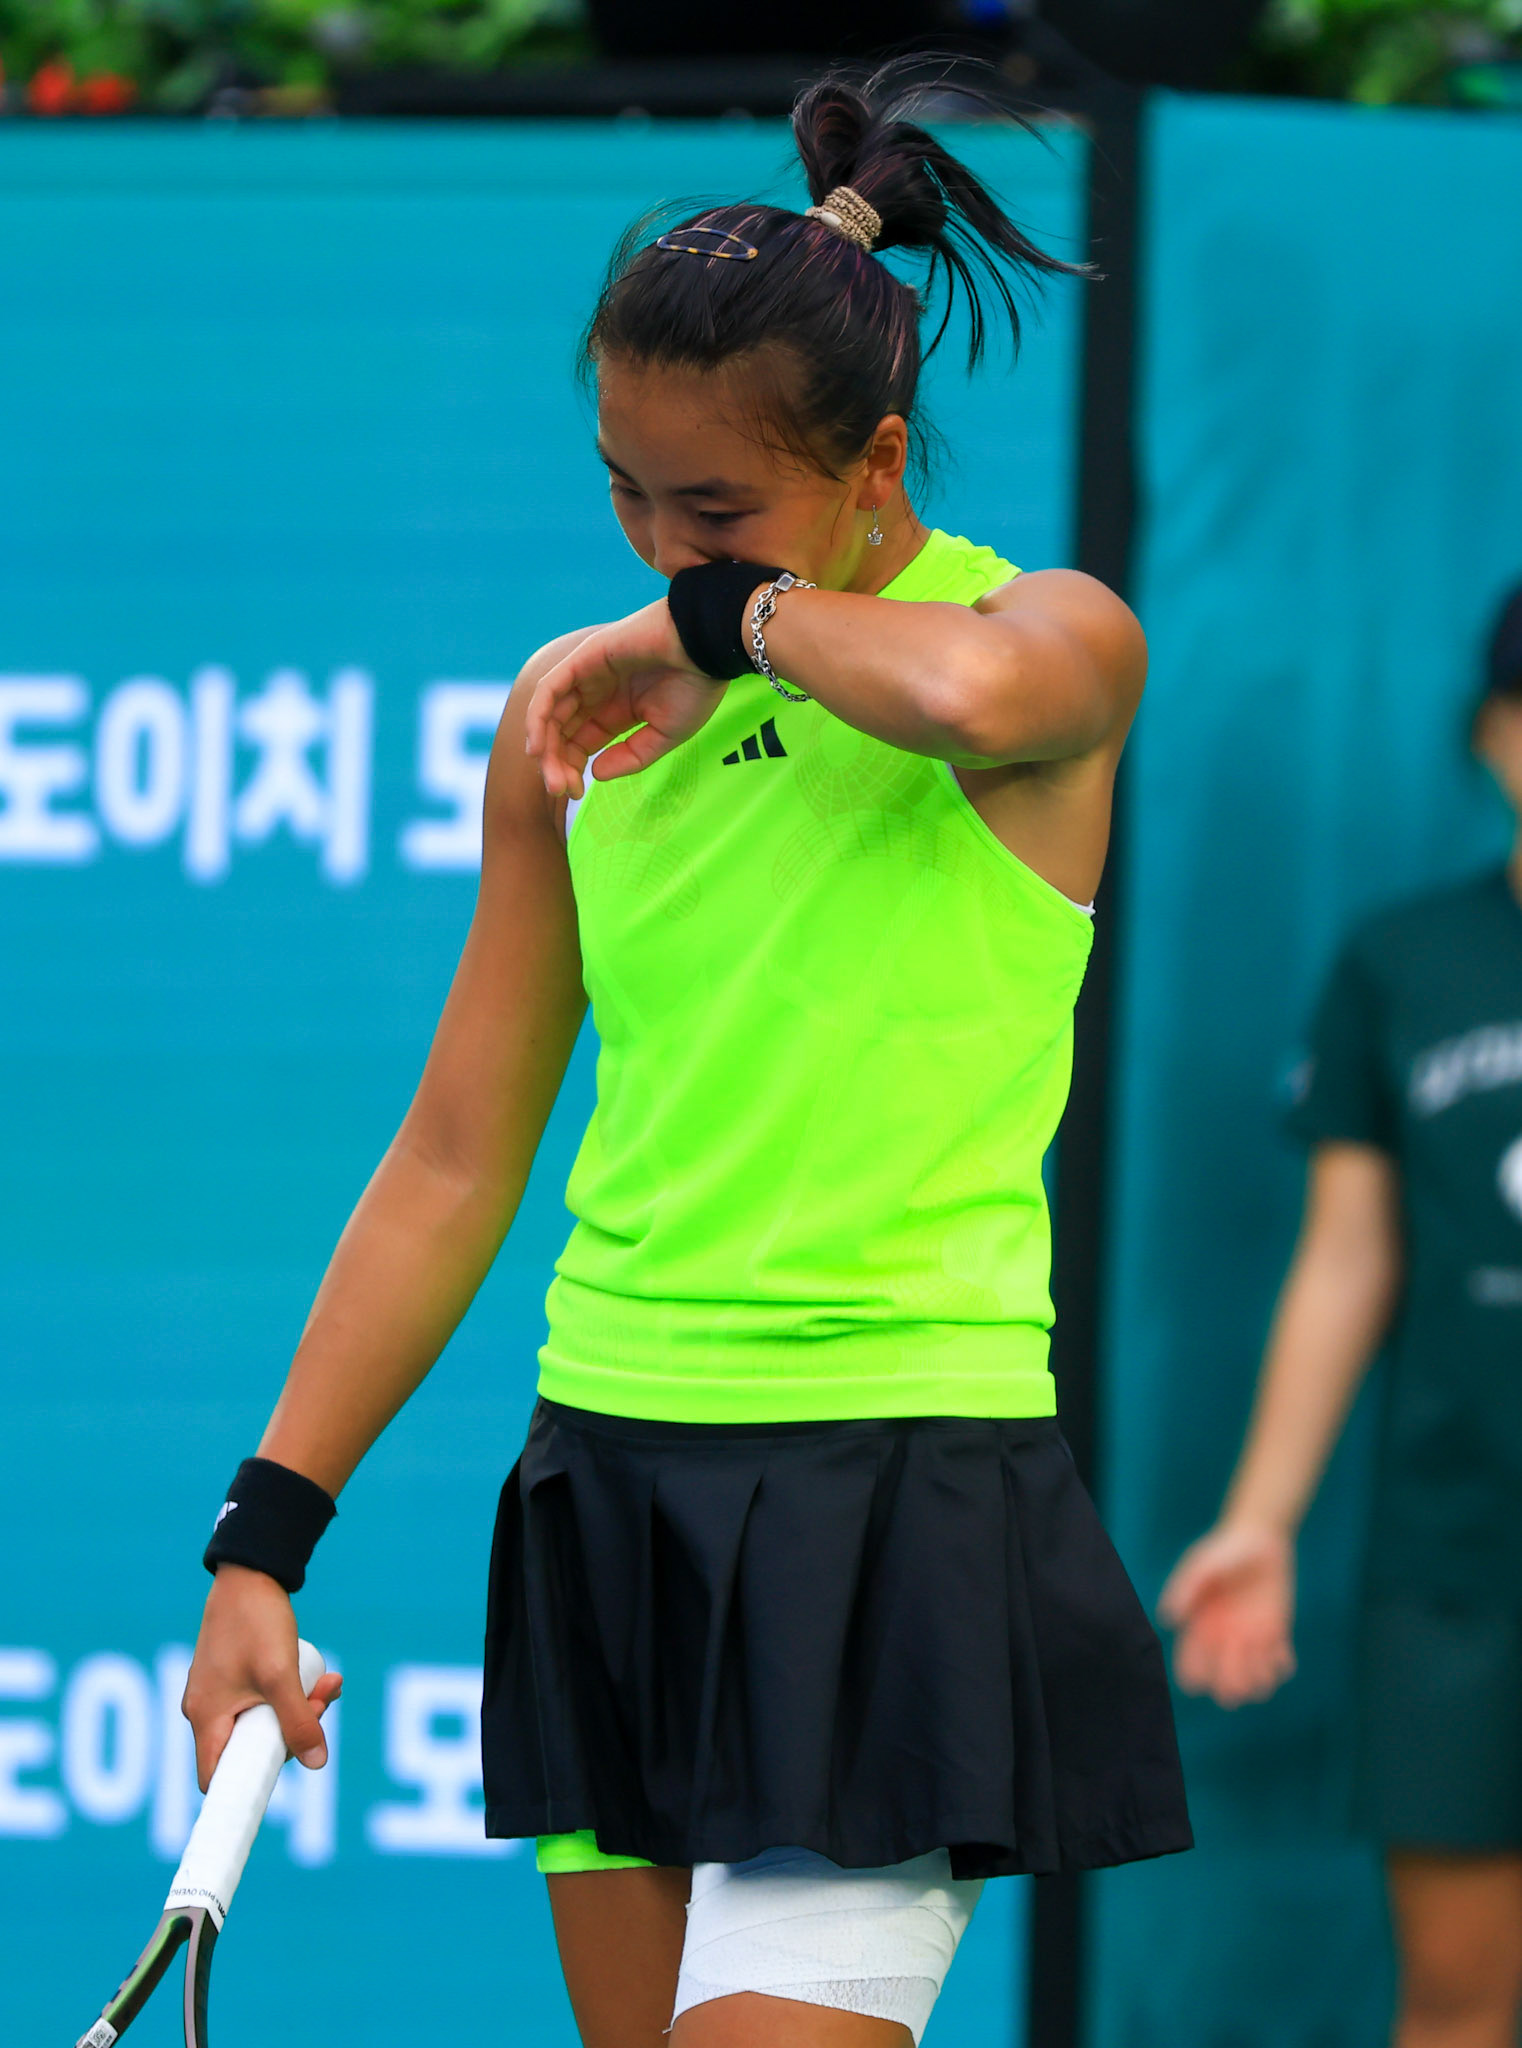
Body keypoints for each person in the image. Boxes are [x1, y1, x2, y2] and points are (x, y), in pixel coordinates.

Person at [184, 63, 1191, 2048]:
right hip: (612, 1485)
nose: (655, 545)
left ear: (874, 460)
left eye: (709, 507)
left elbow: (973, 686)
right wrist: (262, 1534)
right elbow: (457, 1152)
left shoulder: (1045, 642)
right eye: (624, 492)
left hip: (890, 1485)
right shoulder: (570, 727)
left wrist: (721, 620)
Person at [1160, 585, 1522, 2048]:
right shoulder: (1404, 966)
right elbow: (1345, 1259)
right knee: (1453, 1996)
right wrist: (1260, 1516)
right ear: (1497, 736)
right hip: (1457, 1565)